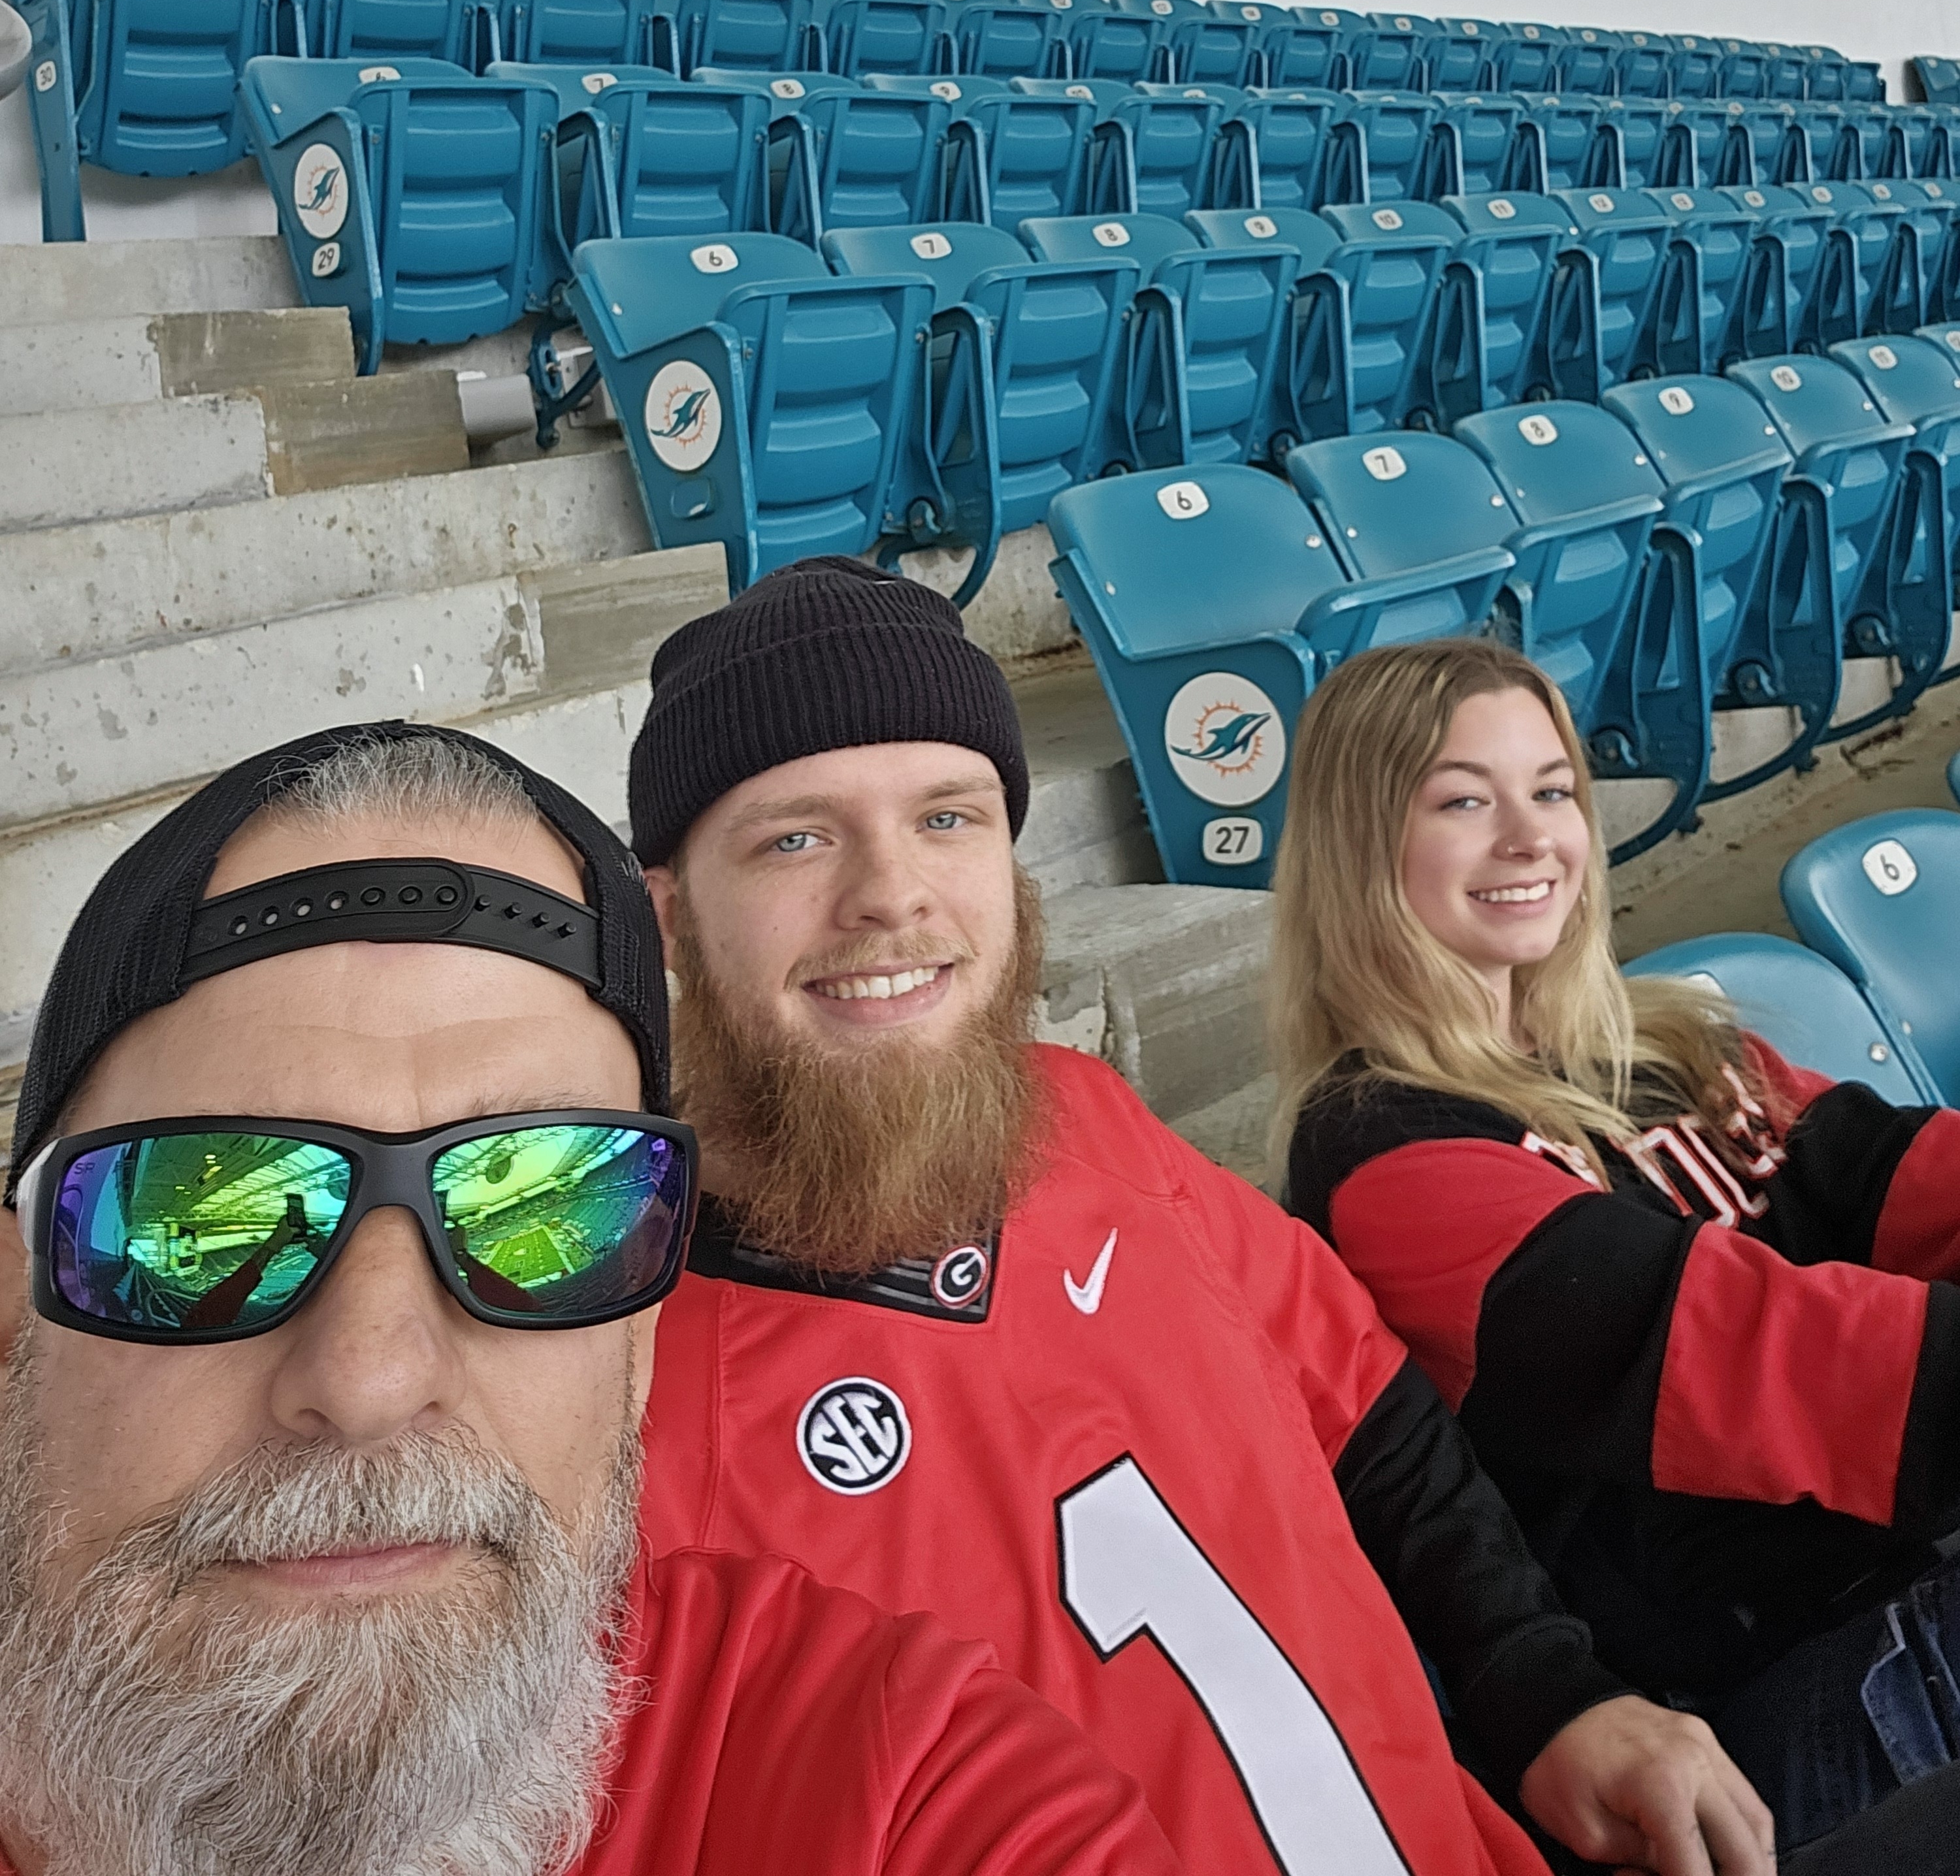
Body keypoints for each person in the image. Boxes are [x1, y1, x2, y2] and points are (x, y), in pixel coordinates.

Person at [630, 553, 1775, 1876]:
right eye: (796, 837)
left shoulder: (1088, 1115)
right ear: (671, 916)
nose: (891, 892)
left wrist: (1545, 1689)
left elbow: (1371, 1415)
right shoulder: (624, 1400)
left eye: (948, 818)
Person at [0, 717, 1186, 1876]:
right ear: (16, 1300)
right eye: (201, 1217)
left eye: (541, 1214)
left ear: (640, 1340)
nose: (370, 1380)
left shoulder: (885, 1775)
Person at [1275, 635, 1960, 1866]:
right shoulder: (1388, 1155)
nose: (1530, 838)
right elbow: (1798, 1365)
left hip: (1893, 1589)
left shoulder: (1661, 1043)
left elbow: (1892, 1172)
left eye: (1551, 790)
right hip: (1752, 1725)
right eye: (1463, 802)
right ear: (1362, 845)